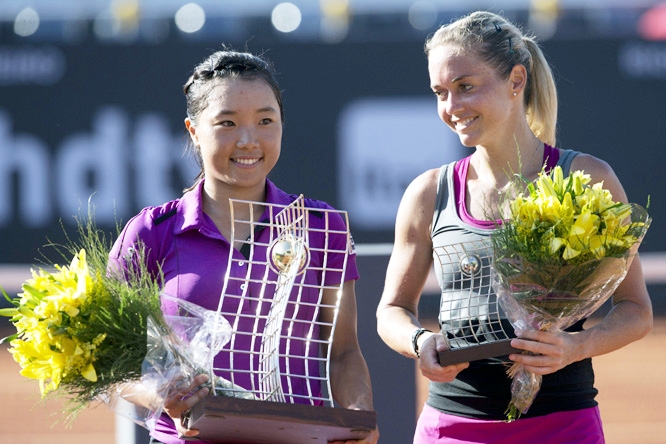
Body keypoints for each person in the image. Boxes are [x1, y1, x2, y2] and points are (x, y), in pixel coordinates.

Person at [376, 10, 652, 444]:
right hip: (452, 428)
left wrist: (577, 347)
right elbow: (391, 310)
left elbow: (636, 310)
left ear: (516, 80)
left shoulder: (588, 178)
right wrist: (419, 342)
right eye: (440, 92)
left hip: (563, 425)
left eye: (465, 86)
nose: (452, 107)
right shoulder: (428, 192)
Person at [109, 48, 379, 444]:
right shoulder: (152, 231)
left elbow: (342, 352)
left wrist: (359, 413)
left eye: (265, 120)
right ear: (193, 131)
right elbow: (110, 361)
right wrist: (162, 394)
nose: (249, 140)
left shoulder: (323, 228)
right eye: (227, 122)